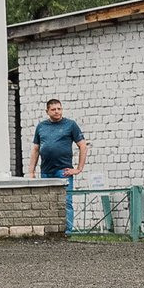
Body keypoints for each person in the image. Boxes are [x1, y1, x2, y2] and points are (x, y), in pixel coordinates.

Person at [30, 98, 88, 235]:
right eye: (54, 109)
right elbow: (35, 149)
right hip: (46, 171)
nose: (57, 112)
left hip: (64, 171)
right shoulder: (41, 126)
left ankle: (68, 232)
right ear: (47, 111)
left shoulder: (70, 125)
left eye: (59, 109)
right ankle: (50, 231)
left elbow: (83, 146)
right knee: (47, 202)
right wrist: (31, 171)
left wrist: (79, 169)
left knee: (66, 202)